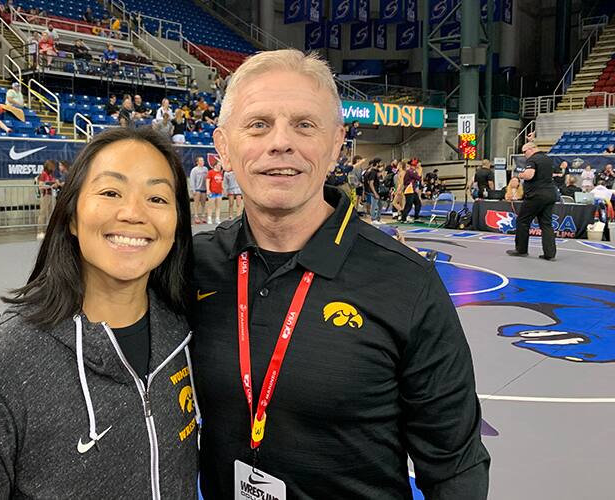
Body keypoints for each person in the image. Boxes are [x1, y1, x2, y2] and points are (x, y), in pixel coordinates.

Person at [194, 49, 489, 499]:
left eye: (304, 125)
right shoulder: (190, 267)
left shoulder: (406, 283)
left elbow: (455, 467)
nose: (280, 142)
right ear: (223, 148)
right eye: (258, 124)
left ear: (336, 145)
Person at [0, 127, 197, 498]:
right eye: (110, 192)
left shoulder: (186, 333)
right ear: (71, 215)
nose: (134, 213)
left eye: (157, 197)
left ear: (177, 223)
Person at [507, 141, 557, 260]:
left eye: (524, 152)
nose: (524, 155)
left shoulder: (532, 159)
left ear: (531, 149)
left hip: (536, 196)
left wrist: (520, 175)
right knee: (546, 224)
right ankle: (549, 254)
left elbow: (529, 175)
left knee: (523, 221)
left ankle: (521, 249)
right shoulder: (547, 159)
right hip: (550, 194)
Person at [36, 160, 56, 240]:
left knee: (50, 213)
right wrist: (49, 186)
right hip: (45, 195)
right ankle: (40, 231)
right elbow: (40, 186)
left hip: (50, 195)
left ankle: (49, 231)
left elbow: (53, 182)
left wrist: (53, 184)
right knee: (43, 213)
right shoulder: (43, 175)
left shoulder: (50, 175)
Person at [189, 156, 208, 225]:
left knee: (203, 203)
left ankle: (203, 215)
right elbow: (192, 180)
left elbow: (208, 179)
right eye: (201, 160)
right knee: (196, 203)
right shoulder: (194, 170)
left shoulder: (205, 169)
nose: (202, 162)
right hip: (197, 189)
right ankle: (196, 216)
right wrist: (193, 189)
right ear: (197, 162)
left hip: (204, 189)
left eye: (203, 160)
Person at [205, 160, 224, 224]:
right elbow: (207, 181)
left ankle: (217, 218)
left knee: (218, 206)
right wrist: (208, 190)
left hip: (219, 192)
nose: (220, 166)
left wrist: (223, 189)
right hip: (212, 192)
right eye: (219, 165)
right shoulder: (210, 172)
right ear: (215, 165)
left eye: (221, 165)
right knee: (210, 206)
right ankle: (209, 218)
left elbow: (221, 182)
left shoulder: (220, 173)